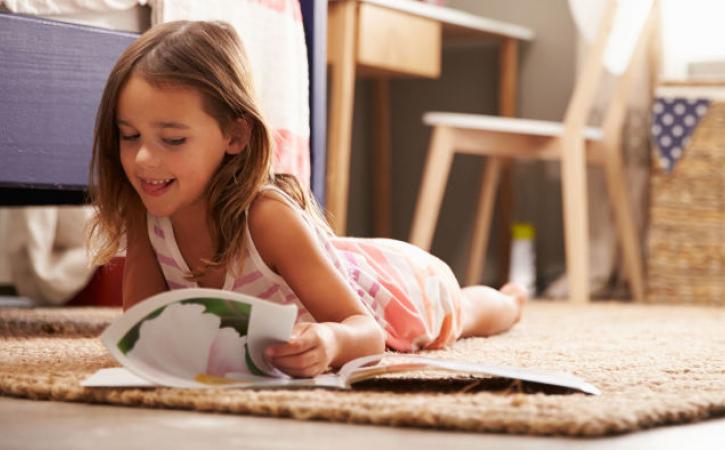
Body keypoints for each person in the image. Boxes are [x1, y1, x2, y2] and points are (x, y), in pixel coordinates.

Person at [88, 20, 527, 379]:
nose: (144, 158)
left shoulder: (266, 217)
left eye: (172, 139)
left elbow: (367, 333)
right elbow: (145, 329)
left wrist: (331, 342)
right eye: (129, 136)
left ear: (236, 135)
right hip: (331, 264)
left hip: (393, 290)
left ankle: (511, 300)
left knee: (463, 313)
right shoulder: (148, 217)